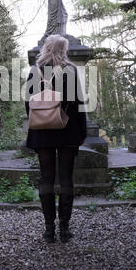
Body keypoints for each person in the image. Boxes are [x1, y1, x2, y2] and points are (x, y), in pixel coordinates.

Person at [25, 35, 87, 243]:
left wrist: (39, 120)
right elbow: (78, 105)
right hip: (67, 129)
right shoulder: (70, 70)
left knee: (46, 178)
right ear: (63, 49)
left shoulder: (35, 71)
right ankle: (64, 229)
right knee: (66, 178)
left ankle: (49, 229)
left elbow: (28, 104)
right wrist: (82, 133)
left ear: (46, 48)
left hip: (42, 132)